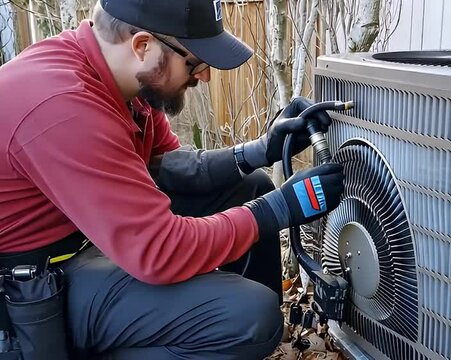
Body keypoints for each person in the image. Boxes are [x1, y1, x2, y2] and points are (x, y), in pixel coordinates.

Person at [0, 0, 345, 359]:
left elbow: (169, 167)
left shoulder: (125, 83)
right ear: (143, 46)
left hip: (84, 238)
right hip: (29, 287)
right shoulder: (64, 107)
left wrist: (262, 150)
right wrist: (276, 210)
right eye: (194, 61)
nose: (206, 75)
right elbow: (159, 251)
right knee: (248, 317)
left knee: (252, 186)